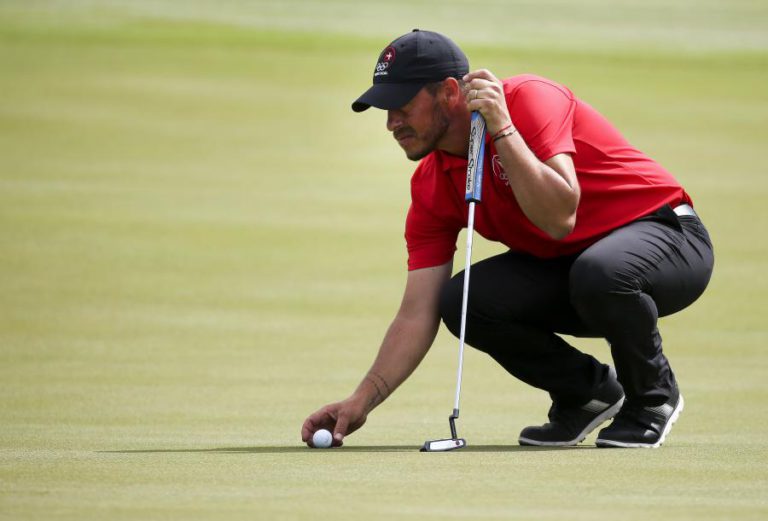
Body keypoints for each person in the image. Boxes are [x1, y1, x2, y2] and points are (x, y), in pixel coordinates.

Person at [301, 29, 714, 449]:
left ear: (448, 92)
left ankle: (652, 399)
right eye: (386, 110)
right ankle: (586, 395)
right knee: (463, 301)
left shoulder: (529, 100)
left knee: (601, 272)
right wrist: (362, 400)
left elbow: (559, 218)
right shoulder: (431, 184)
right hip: (579, 267)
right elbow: (416, 313)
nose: (391, 123)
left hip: (670, 237)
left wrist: (502, 130)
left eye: (402, 106)